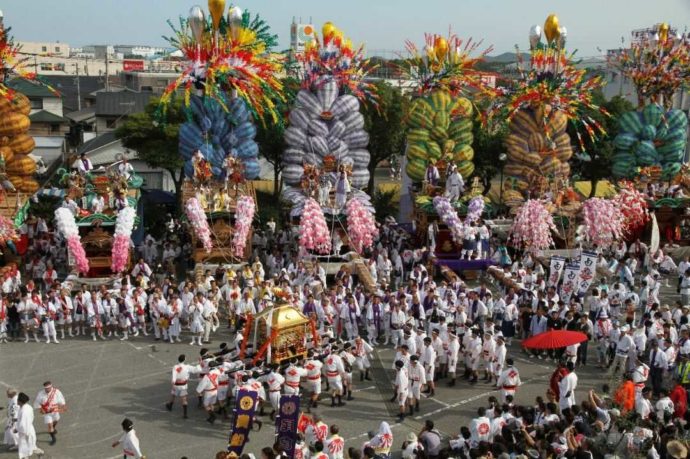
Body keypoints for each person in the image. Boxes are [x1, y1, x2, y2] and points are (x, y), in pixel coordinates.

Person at [33, 381, 66, 445]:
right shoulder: (40, 394)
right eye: (46, 388)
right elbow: (37, 402)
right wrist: (41, 409)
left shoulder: (56, 392)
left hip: (55, 410)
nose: (47, 389)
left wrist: (63, 405)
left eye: (49, 388)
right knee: (50, 425)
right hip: (47, 412)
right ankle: (53, 438)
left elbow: (61, 399)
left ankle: (53, 427)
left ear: (51, 387)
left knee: (56, 420)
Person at [166, 354, 198, 419]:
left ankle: (170, 405)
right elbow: (195, 370)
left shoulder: (175, 367)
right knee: (184, 399)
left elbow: (174, 376)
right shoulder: (187, 367)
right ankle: (185, 414)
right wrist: (200, 363)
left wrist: (173, 384)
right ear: (185, 359)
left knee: (173, 395)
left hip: (176, 385)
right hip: (183, 386)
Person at [15, 392, 43, 459]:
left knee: (24, 449)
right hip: (29, 430)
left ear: (20, 401)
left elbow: (23, 424)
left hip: (25, 432)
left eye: (17, 400)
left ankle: (38, 453)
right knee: (30, 446)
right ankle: (39, 453)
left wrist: (17, 429)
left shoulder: (24, 411)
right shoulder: (27, 407)